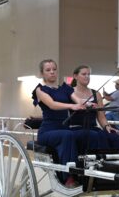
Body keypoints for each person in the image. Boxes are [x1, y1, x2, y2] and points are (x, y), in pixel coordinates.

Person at [32, 59, 87, 187]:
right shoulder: (40, 90)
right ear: (42, 73)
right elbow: (52, 104)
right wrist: (72, 106)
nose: (52, 72)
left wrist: (88, 103)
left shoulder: (65, 88)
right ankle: (68, 178)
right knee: (67, 135)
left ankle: (85, 172)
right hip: (48, 132)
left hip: (64, 129)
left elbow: (78, 100)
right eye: (48, 70)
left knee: (84, 134)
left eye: (54, 69)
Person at [70, 65, 119, 150]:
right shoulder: (69, 91)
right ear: (75, 76)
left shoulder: (96, 94)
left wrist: (107, 126)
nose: (87, 76)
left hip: (93, 128)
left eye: (88, 74)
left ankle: (118, 160)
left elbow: (101, 116)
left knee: (114, 136)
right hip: (75, 128)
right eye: (84, 74)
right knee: (94, 136)